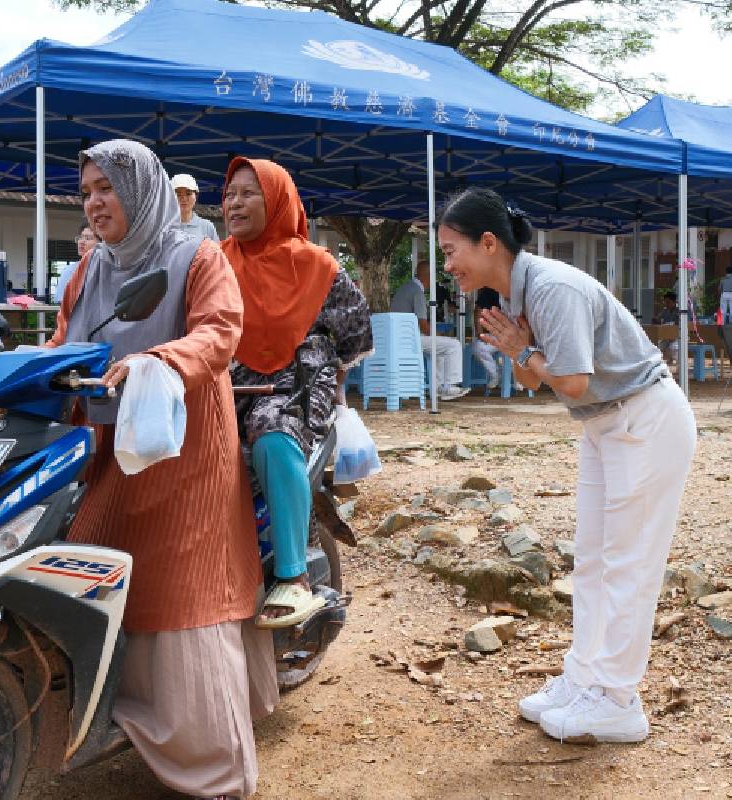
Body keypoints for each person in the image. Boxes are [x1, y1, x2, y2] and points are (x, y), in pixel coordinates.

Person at [51, 139, 275, 799]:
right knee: (91, 561)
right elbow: (63, 339)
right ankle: (109, 712)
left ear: (141, 190)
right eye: (87, 191)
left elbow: (220, 330)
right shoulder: (90, 270)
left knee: (180, 585)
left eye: (107, 188)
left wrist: (163, 360)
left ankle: (213, 761)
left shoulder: (196, 256)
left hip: (182, 451)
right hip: (107, 450)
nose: (94, 202)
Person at [439, 187, 696, 745]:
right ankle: (584, 680)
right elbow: (538, 380)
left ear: (489, 243)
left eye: (452, 250)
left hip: (644, 419)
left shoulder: (550, 287)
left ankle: (618, 700)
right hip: (605, 423)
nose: (448, 265)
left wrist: (526, 354)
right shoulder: (513, 293)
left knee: (628, 566)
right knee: (593, 562)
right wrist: (520, 352)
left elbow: (571, 381)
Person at [221, 157, 372, 627]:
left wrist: (322, 369)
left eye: (249, 193)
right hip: (229, 382)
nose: (234, 203)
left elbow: (354, 335)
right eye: (229, 194)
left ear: (278, 200)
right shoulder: (214, 262)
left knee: (271, 430)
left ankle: (294, 576)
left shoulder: (317, 265)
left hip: (296, 386)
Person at [390, 259, 469, 400]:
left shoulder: (405, 288)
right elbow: (423, 326)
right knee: (454, 344)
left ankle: (439, 387)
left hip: (399, 339)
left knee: (439, 349)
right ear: (427, 276)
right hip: (411, 341)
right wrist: (439, 334)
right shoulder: (417, 292)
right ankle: (449, 386)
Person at [53, 223, 97, 303]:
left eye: (88, 238)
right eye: (80, 238)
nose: (81, 242)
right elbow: (62, 303)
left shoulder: (108, 268)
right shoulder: (70, 270)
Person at [171, 173, 219, 241]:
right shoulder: (164, 227)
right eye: (178, 194)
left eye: (188, 194)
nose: (184, 198)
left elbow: (216, 251)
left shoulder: (207, 227)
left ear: (196, 196)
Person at [471, 286, 503, 390]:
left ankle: (518, 379)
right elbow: (478, 311)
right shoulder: (490, 290)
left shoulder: (521, 288)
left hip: (516, 336)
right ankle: (495, 374)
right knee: (478, 347)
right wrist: (480, 333)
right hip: (496, 335)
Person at [654, 291, 681, 365]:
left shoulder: (680, 311)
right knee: (657, 347)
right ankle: (659, 364)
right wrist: (656, 320)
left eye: (668, 302)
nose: (666, 304)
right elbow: (658, 319)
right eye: (665, 302)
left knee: (673, 348)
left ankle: (680, 365)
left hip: (678, 336)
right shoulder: (665, 311)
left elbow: (679, 323)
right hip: (666, 336)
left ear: (674, 302)